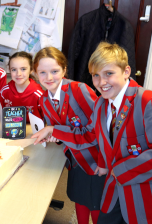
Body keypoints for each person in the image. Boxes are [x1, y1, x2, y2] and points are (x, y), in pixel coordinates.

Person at [36, 42, 152, 224]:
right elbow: (89, 136)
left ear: (127, 71)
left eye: (109, 74)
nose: (102, 82)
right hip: (111, 189)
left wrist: (117, 170)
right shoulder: (101, 104)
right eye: (96, 75)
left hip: (141, 192)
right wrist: (104, 163)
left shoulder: (146, 101)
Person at [31, 47, 105, 224]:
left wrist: (54, 131)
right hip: (74, 159)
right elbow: (59, 133)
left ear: (64, 70)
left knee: (95, 204)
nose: (49, 78)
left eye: (55, 71)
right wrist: (53, 137)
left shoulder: (79, 90)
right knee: (78, 198)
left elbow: (96, 130)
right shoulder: (43, 100)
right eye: (43, 72)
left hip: (96, 159)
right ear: (35, 73)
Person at [0, 51, 44, 123]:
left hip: (33, 132)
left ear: (31, 70)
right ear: (9, 70)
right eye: (14, 69)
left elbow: (45, 121)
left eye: (23, 69)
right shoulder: (4, 92)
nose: (18, 74)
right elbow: (3, 116)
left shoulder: (39, 95)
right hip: (12, 130)